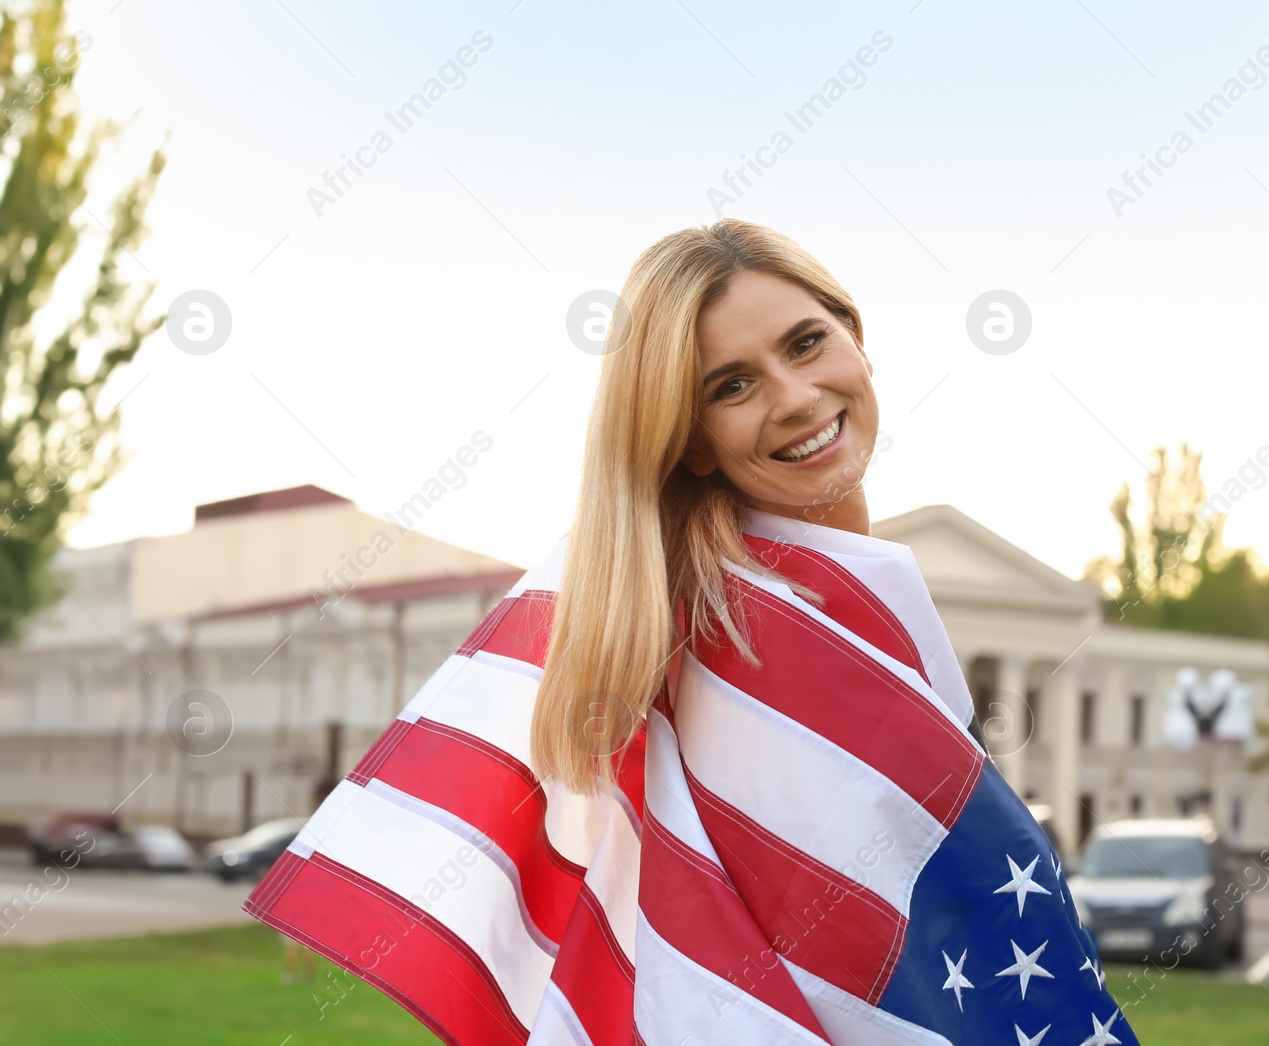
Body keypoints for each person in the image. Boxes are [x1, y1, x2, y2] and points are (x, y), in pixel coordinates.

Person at [246, 218, 1140, 1046]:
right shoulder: (757, 633)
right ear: (695, 441)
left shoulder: (813, 596)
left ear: (858, 339)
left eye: (805, 342)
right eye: (733, 385)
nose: (794, 396)